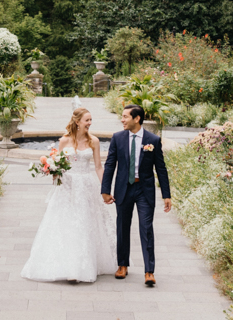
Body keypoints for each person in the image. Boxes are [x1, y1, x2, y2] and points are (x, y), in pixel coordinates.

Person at [20, 108, 118, 282]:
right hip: (67, 186)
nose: (90, 123)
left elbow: (98, 167)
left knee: (85, 222)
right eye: (87, 120)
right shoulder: (64, 141)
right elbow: (59, 164)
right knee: (66, 223)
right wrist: (53, 174)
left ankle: (82, 266)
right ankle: (67, 266)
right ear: (77, 121)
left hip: (86, 185)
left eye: (91, 120)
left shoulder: (94, 141)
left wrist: (105, 189)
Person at [101, 104, 171, 287]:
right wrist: (105, 190)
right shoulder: (118, 138)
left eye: (125, 117)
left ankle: (149, 271)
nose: (122, 120)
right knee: (122, 227)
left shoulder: (153, 140)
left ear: (136, 118)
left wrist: (166, 194)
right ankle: (122, 265)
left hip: (144, 190)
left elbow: (161, 169)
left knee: (146, 228)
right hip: (124, 189)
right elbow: (110, 165)